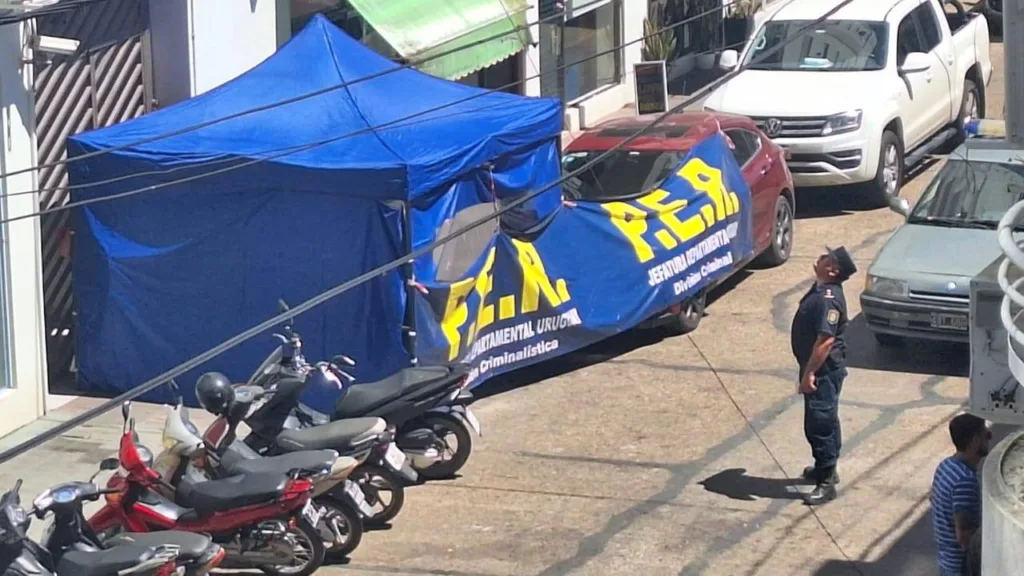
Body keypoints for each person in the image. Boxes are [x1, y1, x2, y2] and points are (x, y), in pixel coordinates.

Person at [790, 246, 856, 506]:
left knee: (820, 422)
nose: (819, 257)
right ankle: (824, 466)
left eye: (826, 258)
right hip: (819, 368)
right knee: (824, 417)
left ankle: (826, 481)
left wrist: (809, 373)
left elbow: (825, 340)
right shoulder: (822, 290)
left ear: (832, 269)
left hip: (823, 370)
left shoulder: (828, 298)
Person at [931, 413, 990, 576]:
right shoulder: (965, 481)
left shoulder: (945, 466)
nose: (989, 440)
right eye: (987, 435)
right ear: (976, 441)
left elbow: (935, 502)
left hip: (945, 560)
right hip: (960, 567)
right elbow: (963, 536)